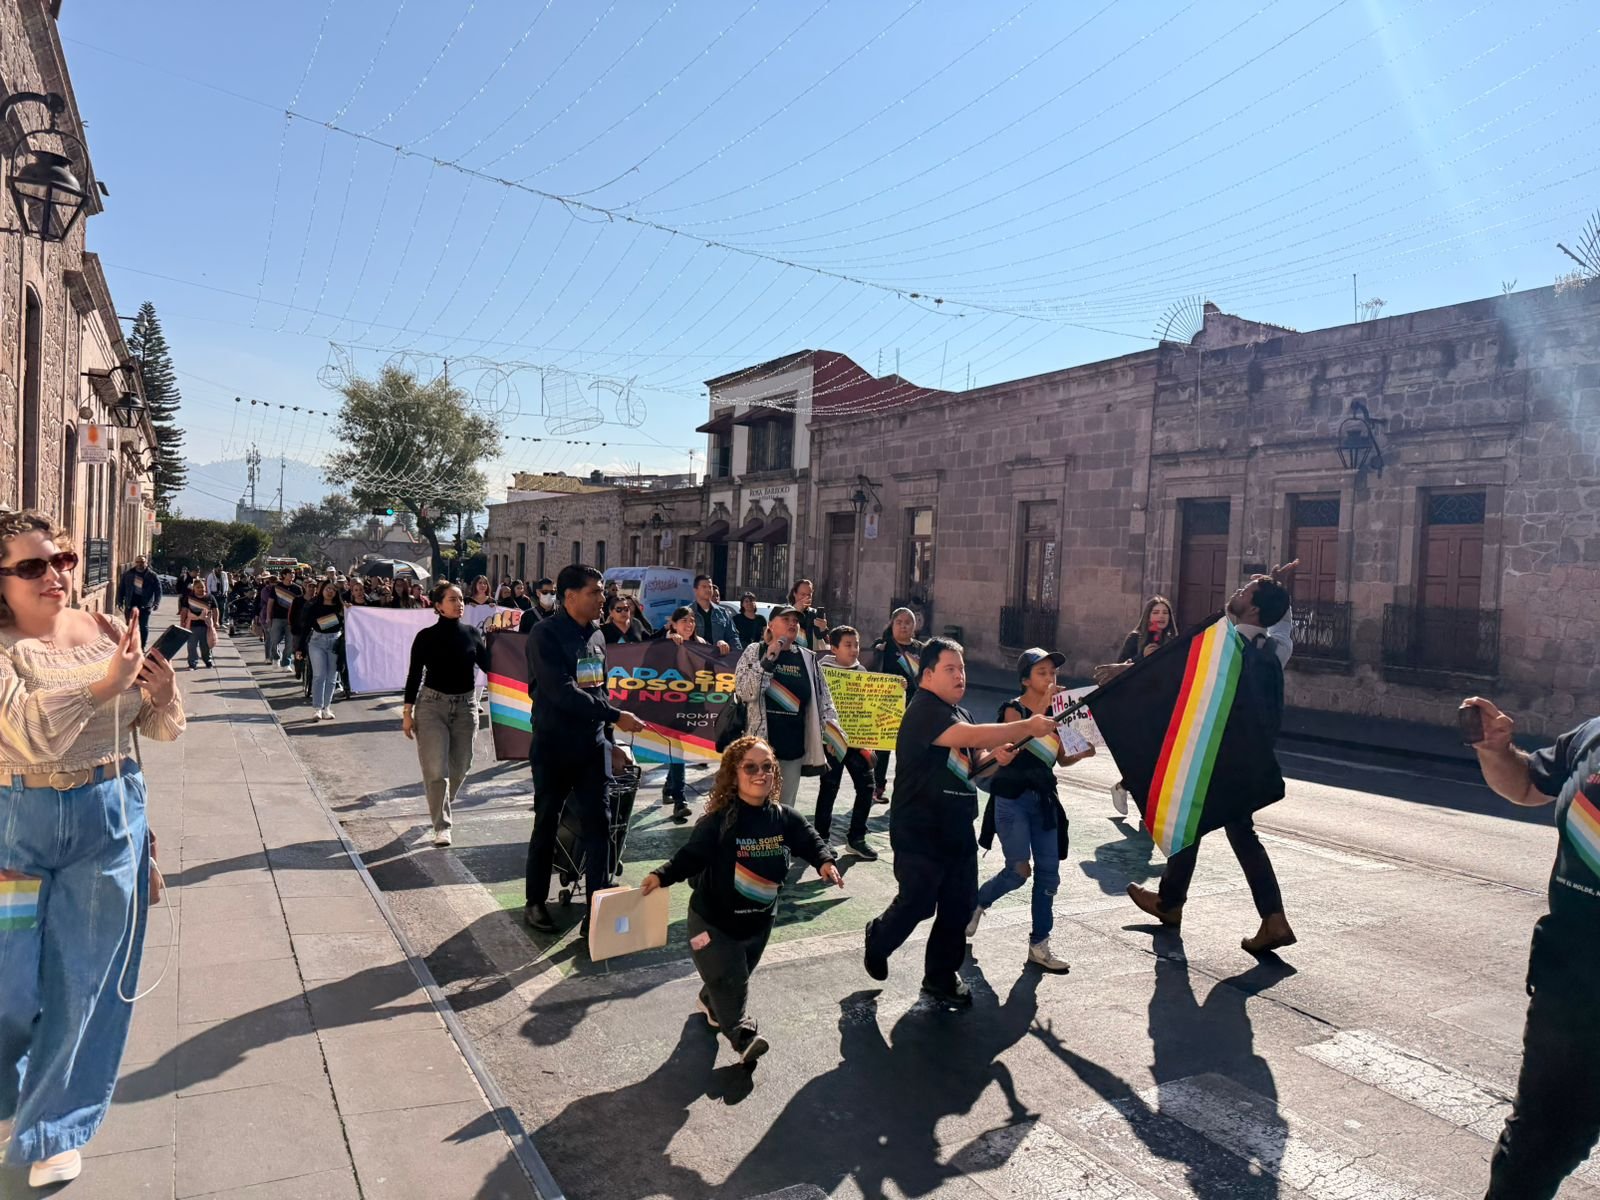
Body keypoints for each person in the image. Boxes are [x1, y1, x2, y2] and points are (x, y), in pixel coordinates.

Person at [0, 509, 186, 1188]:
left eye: (63, 560)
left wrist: (160, 693)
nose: (54, 575)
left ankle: (54, 1127)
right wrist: (105, 684)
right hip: (16, 823)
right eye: (32, 565)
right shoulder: (6, 649)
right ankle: (11, 1100)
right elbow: (24, 731)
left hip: (107, 815)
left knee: (83, 979)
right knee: (11, 980)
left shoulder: (106, 629)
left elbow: (154, 728)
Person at [862, 637, 1057, 1008]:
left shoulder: (961, 712)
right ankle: (879, 938)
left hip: (957, 826)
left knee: (959, 904)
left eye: (962, 668)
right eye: (950, 669)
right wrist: (1026, 726)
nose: (960, 675)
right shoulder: (924, 709)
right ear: (927, 675)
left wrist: (997, 758)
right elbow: (970, 736)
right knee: (919, 901)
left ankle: (940, 977)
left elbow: (976, 764)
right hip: (920, 827)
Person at [1457, 698, 1598, 1198]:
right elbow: (1524, 785)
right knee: (1537, 1144)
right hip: (1574, 987)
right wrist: (1497, 750)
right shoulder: (1591, 737)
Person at [1124, 569, 1298, 955]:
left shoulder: (1224, 650)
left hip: (1219, 762)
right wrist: (1277, 590)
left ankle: (1174, 903)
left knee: (1191, 821)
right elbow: (1283, 628)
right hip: (1249, 766)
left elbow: (1179, 685)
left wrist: (1123, 679)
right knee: (1225, 830)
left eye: (1245, 590)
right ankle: (1267, 917)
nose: (1237, 590)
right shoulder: (1273, 651)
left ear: (1253, 608)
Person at [640, 736, 841, 1067]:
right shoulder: (718, 822)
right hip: (712, 924)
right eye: (750, 767)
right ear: (733, 775)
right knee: (733, 981)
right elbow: (690, 857)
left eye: (767, 767)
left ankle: (711, 1001)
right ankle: (743, 1036)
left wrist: (825, 861)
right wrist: (661, 875)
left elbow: (809, 839)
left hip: (760, 921)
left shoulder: (784, 818)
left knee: (731, 977)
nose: (760, 774)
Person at [523, 565, 646, 935]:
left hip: (592, 748)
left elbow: (598, 690)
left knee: (600, 826)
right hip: (554, 747)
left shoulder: (597, 634)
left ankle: (597, 908)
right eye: (595, 591)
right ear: (570, 595)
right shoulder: (545, 634)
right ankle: (535, 902)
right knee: (547, 823)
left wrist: (610, 740)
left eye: (602, 591)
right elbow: (561, 691)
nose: (602, 598)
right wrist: (616, 715)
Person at [966, 648, 1094, 973]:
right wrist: (1043, 707)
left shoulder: (1059, 715)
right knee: (1018, 872)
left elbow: (1061, 758)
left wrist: (1083, 751)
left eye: (1053, 672)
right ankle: (978, 901)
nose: (1050, 678)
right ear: (1025, 680)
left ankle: (1040, 944)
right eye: (1042, 673)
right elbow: (1019, 738)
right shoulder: (1013, 710)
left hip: (1044, 801)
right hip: (1013, 799)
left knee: (1049, 874)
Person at [400, 583, 491, 848]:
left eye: (461, 599)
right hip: (431, 707)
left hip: (466, 706)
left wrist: (500, 640)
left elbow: (491, 666)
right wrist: (407, 712)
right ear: (438, 605)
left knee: (462, 766)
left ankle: (439, 803)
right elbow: (414, 675)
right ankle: (442, 826)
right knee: (436, 770)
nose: (459, 603)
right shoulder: (425, 637)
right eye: (452, 599)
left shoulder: (472, 634)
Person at [732, 605, 842, 809]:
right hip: (760, 746)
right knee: (754, 806)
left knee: (784, 808)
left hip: (793, 748)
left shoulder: (807, 658)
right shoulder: (755, 651)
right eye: (786, 619)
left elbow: (824, 700)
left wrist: (832, 732)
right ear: (771, 625)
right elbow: (745, 692)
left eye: (796, 621)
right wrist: (767, 662)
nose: (792, 623)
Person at [1102, 595, 1177, 817]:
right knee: (1146, 760)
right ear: (1147, 616)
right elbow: (1118, 671)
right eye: (1156, 612)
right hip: (1138, 707)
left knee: (1162, 762)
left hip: (1164, 707)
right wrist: (1141, 657)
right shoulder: (1135, 639)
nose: (1161, 616)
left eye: (1165, 612)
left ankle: (1131, 792)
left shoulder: (1174, 641)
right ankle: (1130, 792)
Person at [814, 626, 879, 860]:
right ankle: (821, 839)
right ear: (834, 648)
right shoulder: (822, 671)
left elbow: (870, 706)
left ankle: (857, 838)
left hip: (857, 742)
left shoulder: (861, 671)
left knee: (867, 787)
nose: (854, 650)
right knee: (829, 787)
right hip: (831, 742)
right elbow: (816, 707)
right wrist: (827, 737)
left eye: (857, 644)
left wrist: (897, 689)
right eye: (848, 645)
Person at [650, 606, 707, 822]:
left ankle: (668, 786)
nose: (689, 624)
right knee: (677, 748)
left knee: (677, 750)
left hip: (692, 705)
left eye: (692, 620)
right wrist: (668, 641)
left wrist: (721, 647)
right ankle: (680, 800)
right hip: (669, 706)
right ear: (673, 624)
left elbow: (712, 668)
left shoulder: (701, 644)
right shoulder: (665, 643)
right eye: (684, 620)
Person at [871, 607, 924, 804]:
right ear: (892, 624)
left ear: (914, 626)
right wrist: (877, 653)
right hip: (887, 705)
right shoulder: (883, 645)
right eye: (899, 622)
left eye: (908, 622)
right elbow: (871, 671)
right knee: (883, 748)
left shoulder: (921, 649)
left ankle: (906, 789)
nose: (903, 626)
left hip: (913, 705)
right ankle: (877, 787)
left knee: (908, 749)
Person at [297, 580, 345, 720]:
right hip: (317, 642)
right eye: (327, 588)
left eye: (333, 589)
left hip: (335, 642)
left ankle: (326, 708)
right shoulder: (313, 606)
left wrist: (349, 610)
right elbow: (306, 627)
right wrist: (300, 648)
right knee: (319, 675)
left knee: (332, 677)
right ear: (321, 590)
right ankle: (317, 708)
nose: (330, 591)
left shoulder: (341, 608)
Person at [114, 555, 162, 646]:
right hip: (131, 603)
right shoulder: (128, 574)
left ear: (146, 563)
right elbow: (121, 588)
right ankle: (130, 645)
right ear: (135, 563)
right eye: (138, 562)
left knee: (143, 626)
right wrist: (119, 601)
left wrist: (156, 602)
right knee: (129, 626)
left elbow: (158, 590)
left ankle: (142, 646)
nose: (140, 564)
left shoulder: (152, 575)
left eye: (142, 562)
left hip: (145, 604)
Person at [689, 574, 740, 655]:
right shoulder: (688, 612)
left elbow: (733, 637)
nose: (708, 590)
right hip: (695, 657)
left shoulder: (722, 613)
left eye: (710, 587)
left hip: (718, 658)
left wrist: (737, 655)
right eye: (704, 587)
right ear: (695, 590)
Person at [262, 567, 301, 669]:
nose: (292, 575)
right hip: (277, 618)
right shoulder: (277, 588)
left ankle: (286, 663)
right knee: (274, 640)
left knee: (289, 643)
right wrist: (268, 617)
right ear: (284, 575)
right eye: (290, 573)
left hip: (291, 620)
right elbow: (270, 603)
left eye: (293, 573)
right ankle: (276, 657)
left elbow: (300, 605)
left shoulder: (297, 589)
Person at [178, 577, 218, 670]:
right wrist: (182, 622)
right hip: (192, 625)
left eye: (202, 587)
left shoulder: (210, 597)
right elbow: (184, 610)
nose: (201, 589)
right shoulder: (189, 597)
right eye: (198, 587)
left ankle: (208, 661)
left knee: (206, 645)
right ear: (194, 588)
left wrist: (216, 621)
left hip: (206, 625)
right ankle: (192, 663)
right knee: (192, 646)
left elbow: (215, 610)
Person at [786, 579, 828, 650]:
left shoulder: (814, 613)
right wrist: (794, 611)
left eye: (809, 595)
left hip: (808, 653)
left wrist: (823, 628)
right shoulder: (784, 611)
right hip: (789, 652)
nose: (806, 598)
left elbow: (819, 636)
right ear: (794, 593)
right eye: (802, 594)